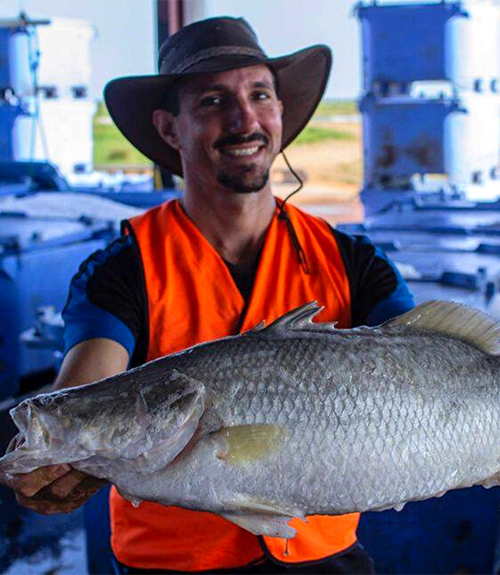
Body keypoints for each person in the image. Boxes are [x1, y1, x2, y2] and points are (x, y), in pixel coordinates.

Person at [7, 16, 414, 574]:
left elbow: (428, 358)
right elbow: (91, 384)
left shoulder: (350, 260)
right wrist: (64, 450)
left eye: (260, 95)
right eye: (213, 101)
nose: (244, 119)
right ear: (170, 129)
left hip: (325, 559)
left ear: (279, 112)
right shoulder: (124, 268)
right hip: (175, 566)